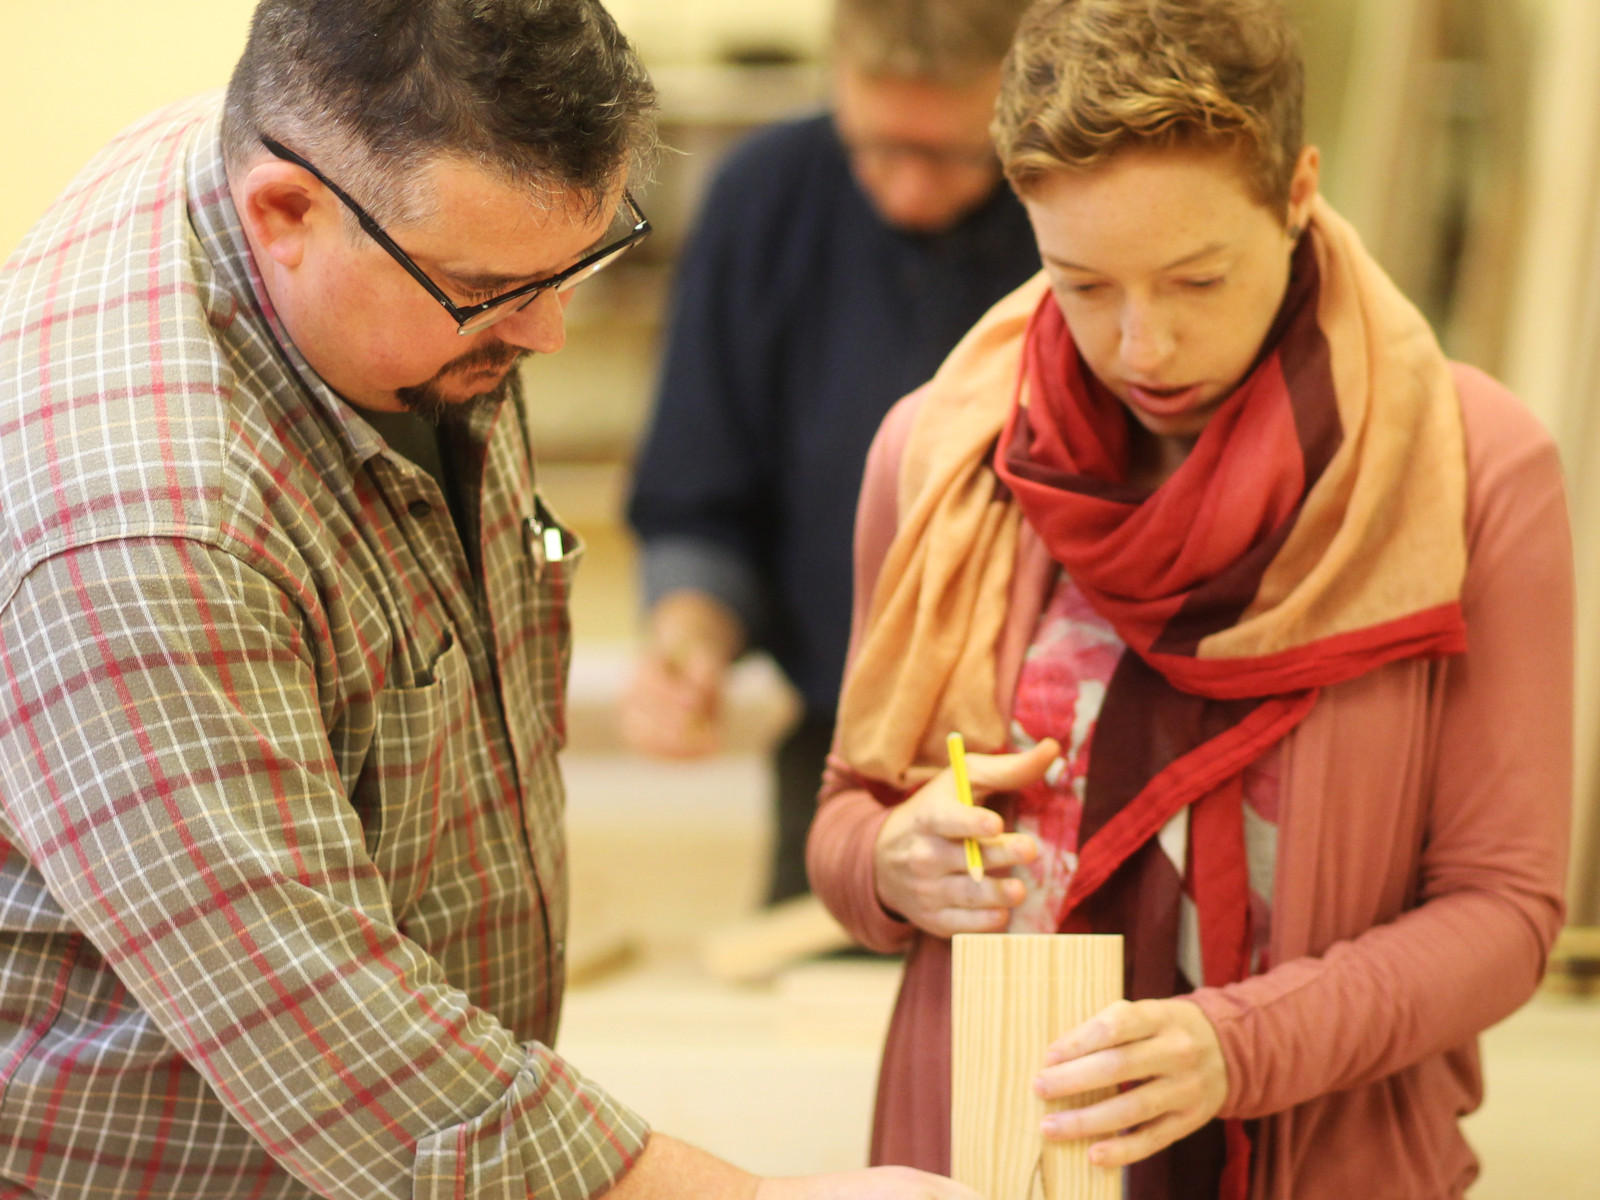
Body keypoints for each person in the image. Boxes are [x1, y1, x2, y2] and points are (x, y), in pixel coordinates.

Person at [0, 3, 980, 1199]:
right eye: (491, 291)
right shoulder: (148, 523)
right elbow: (325, 1033)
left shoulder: (359, 187)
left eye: (584, 260)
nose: (553, 331)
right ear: (284, 217)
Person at [807, 0, 1574, 1196]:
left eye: (1196, 278)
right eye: (1081, 283)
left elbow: (1506, 911)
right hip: (991, 1150)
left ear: (1298, 191)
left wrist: (1236, 1047)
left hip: (1322, 1157)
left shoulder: (1473, 470)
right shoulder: (941, 454)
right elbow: (849, 814)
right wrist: (889, 865)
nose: (1143, 345)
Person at [622, 0, 1040, 905]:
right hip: (842, 750)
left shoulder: (1069, 197)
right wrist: (689, 636)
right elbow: (701, 493)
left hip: (1052, 746)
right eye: (876, 147)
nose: (905, 189)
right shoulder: (764, 199)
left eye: (949, 155)